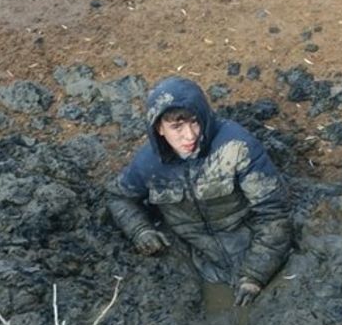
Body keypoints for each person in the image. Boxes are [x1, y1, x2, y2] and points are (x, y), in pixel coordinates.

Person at [106, 76, 292, 306]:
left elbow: (275, 214)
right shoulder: (148, 164)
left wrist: (255, 274)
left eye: (195, 122)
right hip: (199, 264)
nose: (190, 135)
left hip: (255, 248)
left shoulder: (236, 146)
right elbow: (118, 197)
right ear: (159, 129)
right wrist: (140, 231)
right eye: (176, 127)